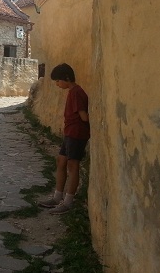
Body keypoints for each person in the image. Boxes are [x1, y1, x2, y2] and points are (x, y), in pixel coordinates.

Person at [38, 63, 90, 214]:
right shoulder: (72, 91)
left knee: (73, 166)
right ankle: (57, 197)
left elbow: (84, 117)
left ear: (66, 78)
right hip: (70, 133)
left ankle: (68, 202)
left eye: (58, 81)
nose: (57, 84)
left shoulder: (77, 92)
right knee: (61, 161)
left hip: (76, 133)